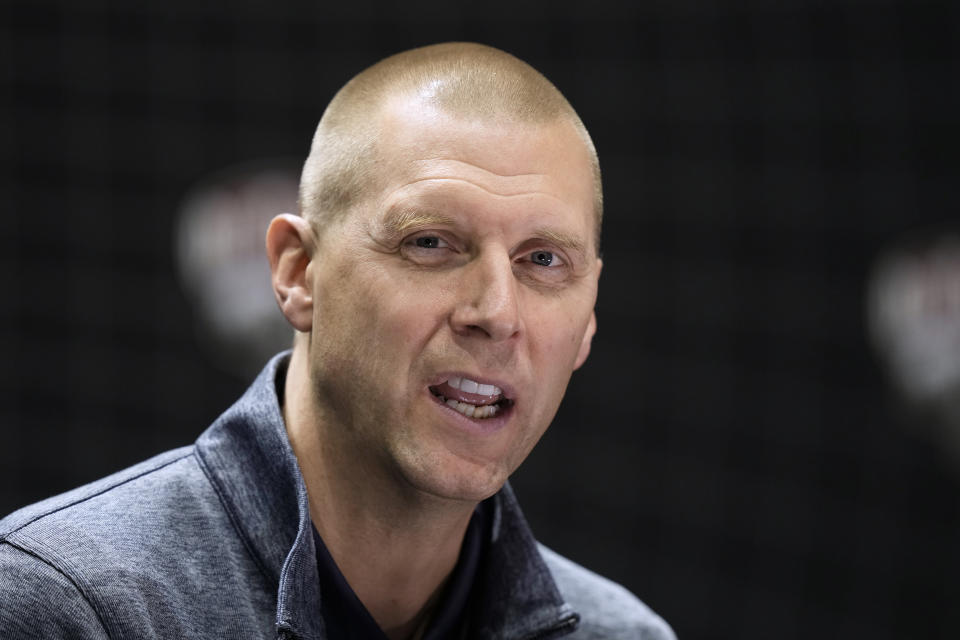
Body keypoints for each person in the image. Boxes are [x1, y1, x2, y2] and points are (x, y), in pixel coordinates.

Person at [0, 43, 675, 640]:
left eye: (544, 261)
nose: (497, 313)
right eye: (431, 243)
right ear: (299, 273)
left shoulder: (625, 633)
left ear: (587, 320)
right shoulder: (70, 608)